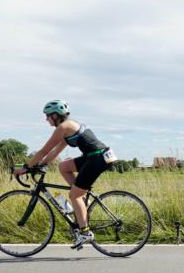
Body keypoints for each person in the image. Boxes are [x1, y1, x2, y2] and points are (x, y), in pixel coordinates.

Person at [14, 100, 116, 248]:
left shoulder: (63, 127)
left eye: (48, 116)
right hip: (95, 156)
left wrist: (26, 167)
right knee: (64, 166)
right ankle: (82, 201)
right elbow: (55, 152)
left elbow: (44, 151)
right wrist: (41, 165)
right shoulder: (68, 127)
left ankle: (85, 232)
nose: (46, 119)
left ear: (55, 115)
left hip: (97, 157)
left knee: (74, 195)